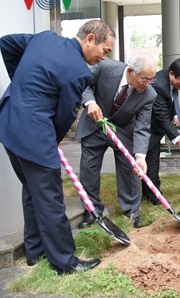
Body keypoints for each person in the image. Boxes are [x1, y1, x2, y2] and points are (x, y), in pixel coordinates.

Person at [0, 20, 115, 273]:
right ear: (90, 39)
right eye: (105, 51)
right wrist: (50, 141)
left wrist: (20, 86)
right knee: (51, 199)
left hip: (8, 122)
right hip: (34, 135)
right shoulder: (79, 72)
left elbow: (6, 42)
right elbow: (63, 118)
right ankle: (65, 262)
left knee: (32, 190)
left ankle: (35, 251)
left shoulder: (44, 38)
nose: (103, 58)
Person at [75, 53, 157, 228]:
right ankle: (92, 211)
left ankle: (132, 212)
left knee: (130, 171)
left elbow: (143, 126)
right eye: (145, 79)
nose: (148, 84)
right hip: (95, 125)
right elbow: (84, 83)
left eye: (152, 80)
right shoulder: (106, 68)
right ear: (130, 71)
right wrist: (89, 102)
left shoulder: (149, 94)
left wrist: (140, 156)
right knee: (89, 170)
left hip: (123, 130)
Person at [143, 58, 180, 205]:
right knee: (148, 162)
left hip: (154, 127)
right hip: (145, 128)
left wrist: (175, 115)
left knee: (151, 162)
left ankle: (152, 194)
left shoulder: (170, 82)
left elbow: (170, 102)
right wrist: (179, 138)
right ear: (172, 73)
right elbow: (161, 117)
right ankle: (152, 196)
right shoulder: (159, 86)